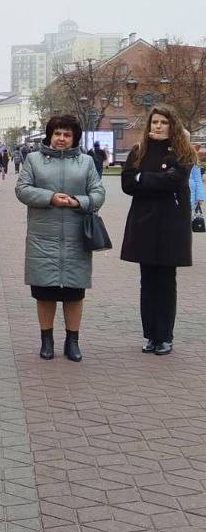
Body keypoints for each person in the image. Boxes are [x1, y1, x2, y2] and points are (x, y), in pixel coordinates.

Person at [15, 115, 105, 362]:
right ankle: (46, 340)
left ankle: (72, 341)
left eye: (66, 134)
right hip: (42, 237)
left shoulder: (86, 162)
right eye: (57, 134)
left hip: (77, 237)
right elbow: (22, 189)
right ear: (49, 135)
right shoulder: (33, 160)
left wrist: (79, 202)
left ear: (74, 137)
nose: (61, 139)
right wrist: (50, 197)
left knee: (74, 293)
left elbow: (98, 193)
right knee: (45, 292)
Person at [121, 105, 196, 355]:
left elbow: (176, 180)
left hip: (171, 224)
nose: (158, 126)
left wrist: (145, 179)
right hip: (144, 222)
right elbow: (128, 183)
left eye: (164, 122)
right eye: (154, 122)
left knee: (166, 281)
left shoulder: (182, 152)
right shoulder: (139, 151)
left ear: (172, 125)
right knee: (147, 281)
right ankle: (151, 335)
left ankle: (165, 336)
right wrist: (149, 180)